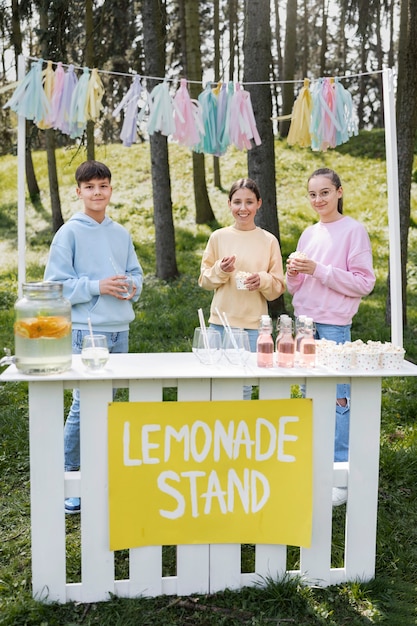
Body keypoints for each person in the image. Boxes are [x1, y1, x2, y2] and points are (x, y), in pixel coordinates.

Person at [44, 160, 143, 514]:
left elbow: (136, 274)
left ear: (111, 189)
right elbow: (55, 286)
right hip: (88, 333)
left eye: (103, 186)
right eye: (90, 187)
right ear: (79, 192)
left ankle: (102, 475)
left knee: (113, 406)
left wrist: (131, 286)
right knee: (85, 406)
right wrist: (96, 286)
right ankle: (70, 481)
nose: (97, 192)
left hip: (121, 330)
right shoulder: (68, 233)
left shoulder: (120, 233)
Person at [286, 167, 375, 506]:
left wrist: (318, 270)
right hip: (304, 324)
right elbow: (297, 285)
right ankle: (315, 465)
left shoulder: (354, 231)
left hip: (335, 326)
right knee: (310, 395)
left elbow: (364, 283)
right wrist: (294, 273)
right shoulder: (308, 234)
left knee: (339, 400)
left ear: (339, 192)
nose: (318, 200)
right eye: (312, 194)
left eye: (324, 192)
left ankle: (341, 474)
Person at [198, 177, 285, 397]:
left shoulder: (269, 241)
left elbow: (277, 287)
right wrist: (221, 270)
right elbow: (205, 281)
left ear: (259, 204)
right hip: (220, 325)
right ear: (229, 204)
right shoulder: (218, 237)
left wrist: (262, 281)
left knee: (244, 387)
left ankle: (240, 430)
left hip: (254, 328)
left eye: (249, 202)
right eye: (237, 202)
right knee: (219, 386)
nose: (243, 208)